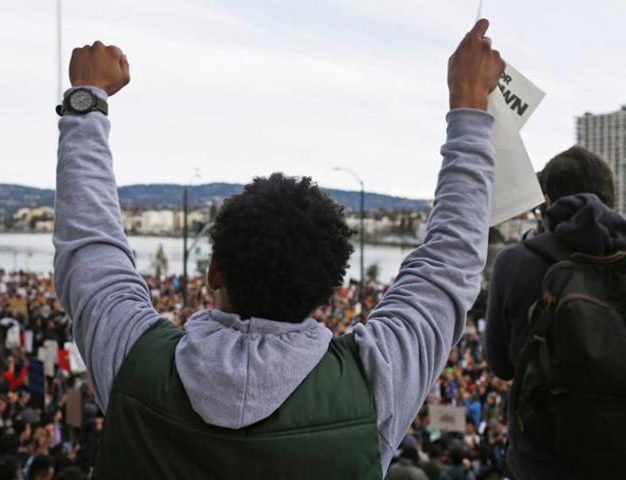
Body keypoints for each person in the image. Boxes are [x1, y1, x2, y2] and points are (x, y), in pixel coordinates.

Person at [53, 18, 504, 479]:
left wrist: (86, 102)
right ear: (328, 293)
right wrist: (469, 105)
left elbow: (90, 247)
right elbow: (449, 264)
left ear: (214, 273)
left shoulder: (132, 359)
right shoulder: (373, 383)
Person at [485, 146, 626, 479]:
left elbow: (501, 365)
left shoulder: (515, 261)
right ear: (611, 199)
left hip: (541, 462)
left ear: (548, 202)